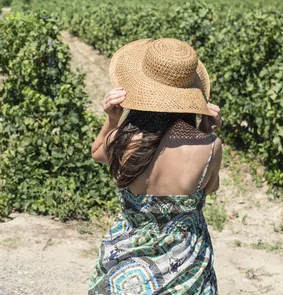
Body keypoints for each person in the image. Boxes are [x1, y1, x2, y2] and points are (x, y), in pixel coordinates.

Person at [88, 38, 223, 295]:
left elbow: (97, 153)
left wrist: (112, 119)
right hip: (185, 262)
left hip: (129, 254)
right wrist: (207, 128)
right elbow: (209, 187)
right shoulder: (210, 147)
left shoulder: (123, 140)